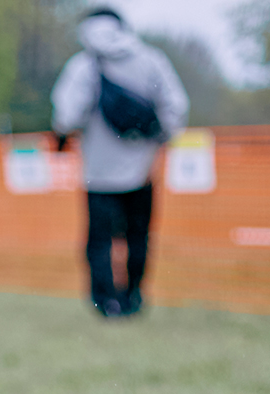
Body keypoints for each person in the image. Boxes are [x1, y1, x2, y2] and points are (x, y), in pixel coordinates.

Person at [51, 7, 188, 319]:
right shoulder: (152, 60)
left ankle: (105, 302)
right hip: (143, 169)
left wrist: (62, 135)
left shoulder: (84, 65)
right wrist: (159, 138)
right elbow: (175, 107)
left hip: (97, 173)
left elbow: (67, 113)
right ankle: (133, 296)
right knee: (139, 236)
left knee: (99, 241)